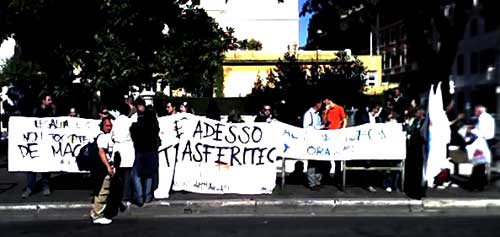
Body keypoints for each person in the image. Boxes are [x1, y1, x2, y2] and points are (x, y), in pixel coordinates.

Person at [22, 93, 55, 198]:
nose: (51, 102)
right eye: (49, 100)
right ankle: (30, 188)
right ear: (43, 101)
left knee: (46, 166)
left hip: (47, 143)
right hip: (35, 143)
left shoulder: (52, 111)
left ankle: (46, 186)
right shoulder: (35, 111)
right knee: (32, 167)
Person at [130, 106, 160, 206]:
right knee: (149, 174)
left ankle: (139, 197)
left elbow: (133, 134)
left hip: (140, 151)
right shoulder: (154, 126)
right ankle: (147, 196)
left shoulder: (137, 125)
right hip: (151, 152)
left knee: (136, 175)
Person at [90, 117, 115, 225]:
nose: (109, 127)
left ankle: (95, 212)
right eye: (107, 125)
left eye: (110, 125)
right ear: (102, 126)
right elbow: (101, 152)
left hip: (100, 168)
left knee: (100, 191)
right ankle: (98, 216)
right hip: (102, 168)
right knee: (103, 192)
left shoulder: (103, 136)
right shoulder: (103, 138)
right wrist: (108, 166)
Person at [111, 103, 135, 203]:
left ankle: (118, 194)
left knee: (118, 173)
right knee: (127, 173)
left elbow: (112, 136)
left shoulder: (115, 122)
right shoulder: (129, 122)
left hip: (117, 147)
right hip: (128, 147)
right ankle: (126, 195)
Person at [303, 99, 325, 191]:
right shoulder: (308, 114)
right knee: (312, 163)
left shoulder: (318, 115)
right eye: (320, 103)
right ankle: (312, 183)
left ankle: (317, 181)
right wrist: (320, 127)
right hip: (311, 142)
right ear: (316, 103)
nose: (321, 105)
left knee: (319, 162)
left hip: (318, 141)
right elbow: (306, 128)